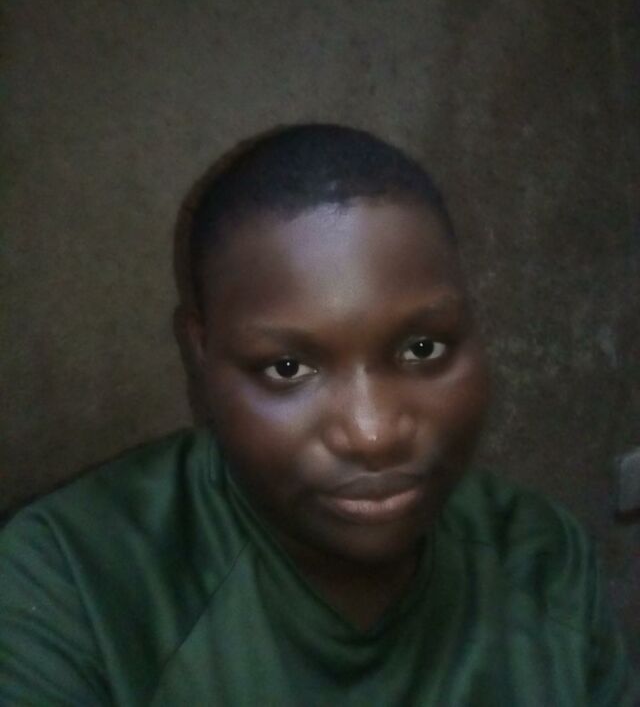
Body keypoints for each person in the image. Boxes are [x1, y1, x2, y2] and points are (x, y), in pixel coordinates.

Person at [0, 124, 635, 705]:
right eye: (287, 368)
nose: (372, 433)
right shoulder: (69, 584)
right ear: (201, 355)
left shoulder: (541, 560)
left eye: (422, 349)